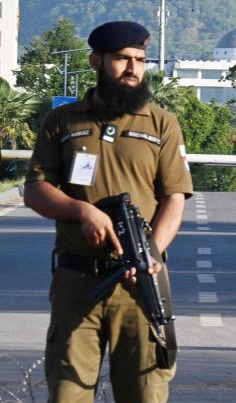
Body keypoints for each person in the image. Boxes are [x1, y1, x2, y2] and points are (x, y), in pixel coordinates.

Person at [23, 21, 193, 402]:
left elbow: (174, 199)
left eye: (140, 60)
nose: (133, 69)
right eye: (122, 59)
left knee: (144, 393)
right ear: (95, 61)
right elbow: (35, 190)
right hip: (77, 279)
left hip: (141, 285)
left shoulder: (161, 124)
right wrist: (81, 211)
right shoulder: (63, 121)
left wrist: (150, 255)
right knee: (68, 394)